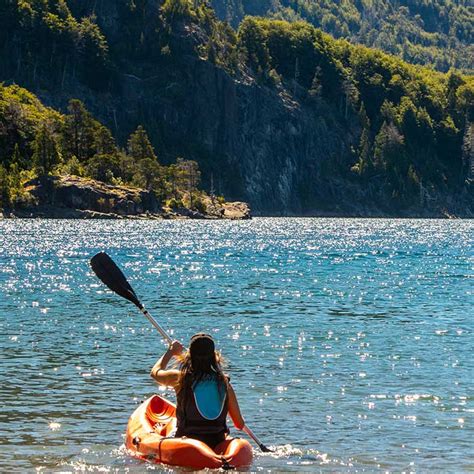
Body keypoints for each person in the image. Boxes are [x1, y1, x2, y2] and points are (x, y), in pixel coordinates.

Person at [150, 333, 246, 451]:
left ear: (190, 356)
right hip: (216, 442)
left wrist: (171, 352)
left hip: (187, 442)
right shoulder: (224, 383)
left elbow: (155, 372)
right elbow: (239, 424)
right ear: (214, 356)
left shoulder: (180, 378)